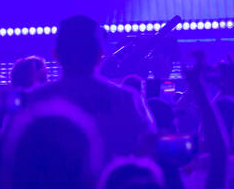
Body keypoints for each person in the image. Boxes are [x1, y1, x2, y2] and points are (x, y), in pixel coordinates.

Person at [22, 15, 155, 160]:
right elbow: (148, 152)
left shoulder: (33, 102)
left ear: (56, 55)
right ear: (100, 54)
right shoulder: (127, 100)